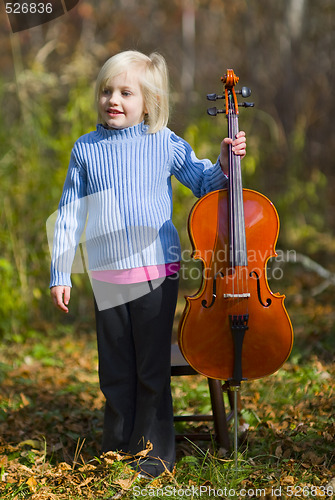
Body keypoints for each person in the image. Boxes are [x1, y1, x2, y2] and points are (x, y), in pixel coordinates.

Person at [49, 50, 246, 477]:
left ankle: (154, 455)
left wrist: (227, 159)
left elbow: (203, 182)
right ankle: (117, 449)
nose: (113, 99)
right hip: (106, 274)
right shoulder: (86, 149)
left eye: (125, 92)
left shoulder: (164, 141)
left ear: (149, 101)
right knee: (116, 369)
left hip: (158, 272)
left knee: (150, 368)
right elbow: (68, 213)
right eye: (106, 91)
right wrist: (60, 271)